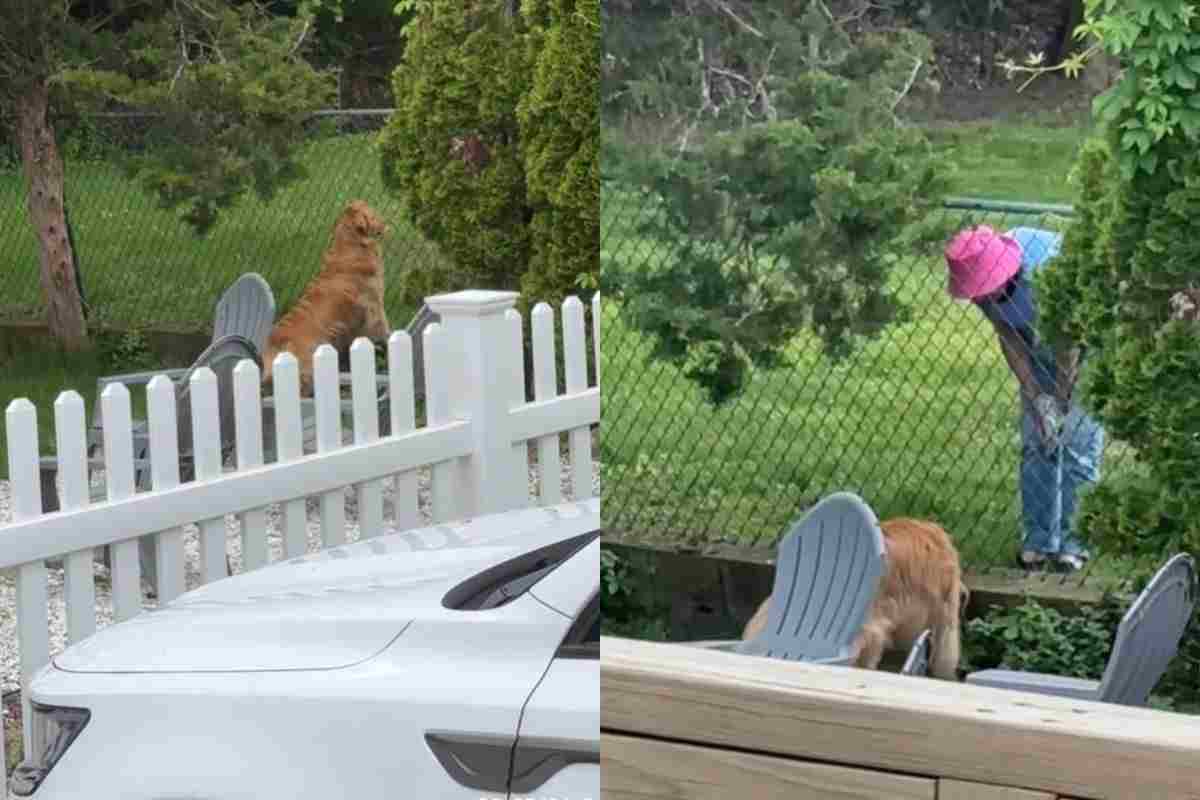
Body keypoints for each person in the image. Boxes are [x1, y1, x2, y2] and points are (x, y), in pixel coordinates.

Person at [943, 224, 1104, 573]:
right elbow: (1009, 335)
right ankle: (1039, 541)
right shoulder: (982, 288)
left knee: (1076, 442)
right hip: (1040, 346)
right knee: (1038, 444)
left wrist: (1061, 400)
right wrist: (1036, 398)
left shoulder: (1048, 274)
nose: (980, 298)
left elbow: (1069, 344)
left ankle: (1074, 544)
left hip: (1089, 345)